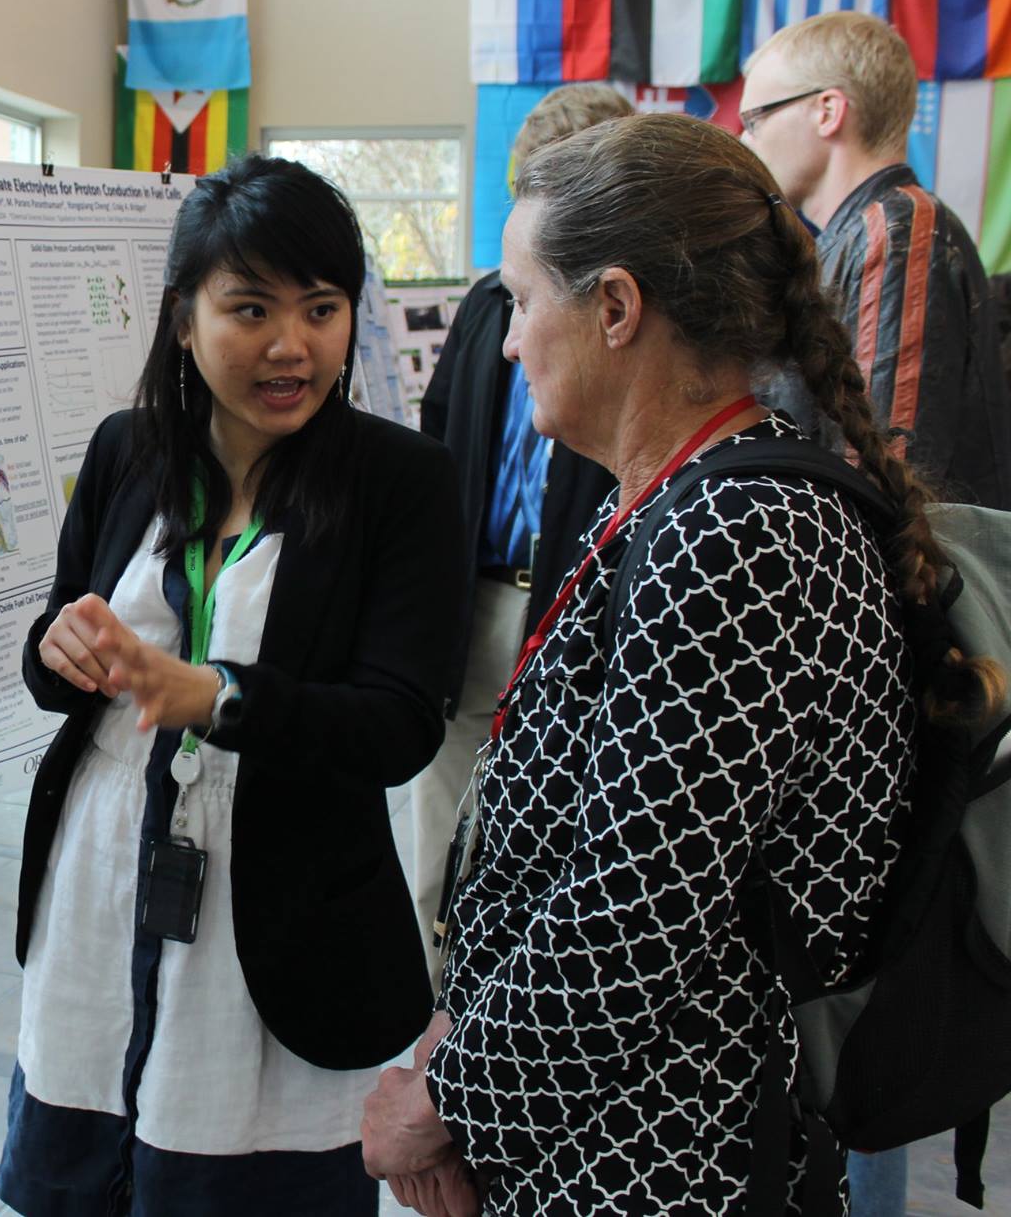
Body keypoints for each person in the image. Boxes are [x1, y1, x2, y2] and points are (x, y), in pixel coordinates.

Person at [358, 113, 1000, 1214]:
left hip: (672, 1158)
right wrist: (456, 1033)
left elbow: (632, 912)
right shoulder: (678, 498)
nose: (503, 342)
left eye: (519, 300)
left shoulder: (740, 535)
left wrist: (446, 1100)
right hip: (592, 1125)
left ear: (614, 307)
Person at [0, 154, 466, 1215]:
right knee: (85, 1170)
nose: (289, 345)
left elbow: (399, 723)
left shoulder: (400, 482)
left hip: (280, 915)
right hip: (104, 875)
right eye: (247, 307)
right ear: (181, 318)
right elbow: (57, 648)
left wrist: (218, 696)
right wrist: (57, 649)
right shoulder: (127, 453)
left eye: (320, 307)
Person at [415, 84, 626, 986]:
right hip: (471, 603)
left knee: (545, 824)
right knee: (434, 818)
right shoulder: (481, 308)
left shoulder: (626, 322)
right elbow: (435, 439)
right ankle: (431, 1002)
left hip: (572, 610)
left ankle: (506, 1008)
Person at [741, 9, 1011, 511]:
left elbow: (883, 471)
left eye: (755, 119)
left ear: (827, 111)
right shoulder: (866, 233)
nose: (745, 140)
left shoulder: (896, 231)